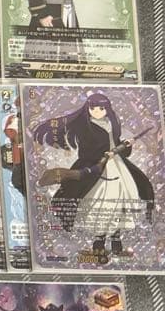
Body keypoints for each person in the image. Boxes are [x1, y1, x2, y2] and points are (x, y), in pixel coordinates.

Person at [32, 92, 154, 256]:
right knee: (99, 202)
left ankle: (116, 238)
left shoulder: (111, 122)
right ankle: (99, 240)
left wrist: (125, 145)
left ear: (107, 109)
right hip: (95, 166)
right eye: (93, 108)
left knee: (121, 200)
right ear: (88, 108)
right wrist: (102, 156)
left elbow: (116, 144)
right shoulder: (85, 126)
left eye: (101, 108)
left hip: (117, 165)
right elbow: (86, 150)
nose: (97, 111)